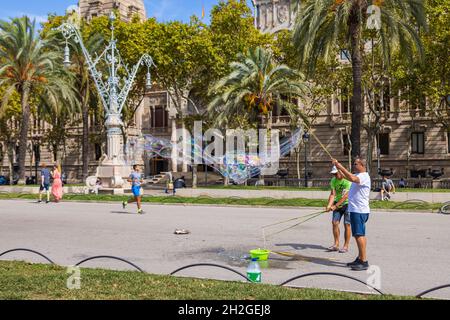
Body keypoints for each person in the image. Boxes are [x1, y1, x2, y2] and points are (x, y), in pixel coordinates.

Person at [332, 157, 371, 271]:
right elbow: (345, 176)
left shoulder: (363, 176)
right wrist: (337, 167)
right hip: (356, 210)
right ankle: (360, 258)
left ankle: (364, 261)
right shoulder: (359, 176)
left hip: (359, 210)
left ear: (362, 165)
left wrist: (339, 166)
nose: (354, 165)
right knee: (358, 234)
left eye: (355, 164)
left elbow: (351, 177)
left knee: (359, 235)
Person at [326, 166, 352, 253]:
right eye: (333, 174)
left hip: (348, 204)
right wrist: (329, 205)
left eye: (336, 173)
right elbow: (333, 194)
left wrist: (335, 206)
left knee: (347, 224)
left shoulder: (347, 181)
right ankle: (336, 244)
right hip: (337, 203)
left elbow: (345, 196)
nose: (335, 175)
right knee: (334, 223)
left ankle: (345, 246)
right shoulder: (333, 180)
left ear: (341, 172)